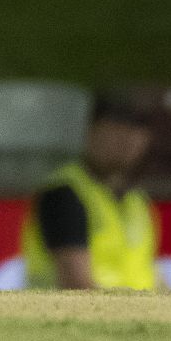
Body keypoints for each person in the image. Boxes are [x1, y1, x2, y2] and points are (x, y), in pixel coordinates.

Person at [20, 90, 159, 289]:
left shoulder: (137, 201)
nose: (126, 138)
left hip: (140, 316)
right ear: (90, 132)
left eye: (136, 129)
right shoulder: (64, 194)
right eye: (115, 127)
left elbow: (152, 273)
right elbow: (76, 284)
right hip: (72, 317)